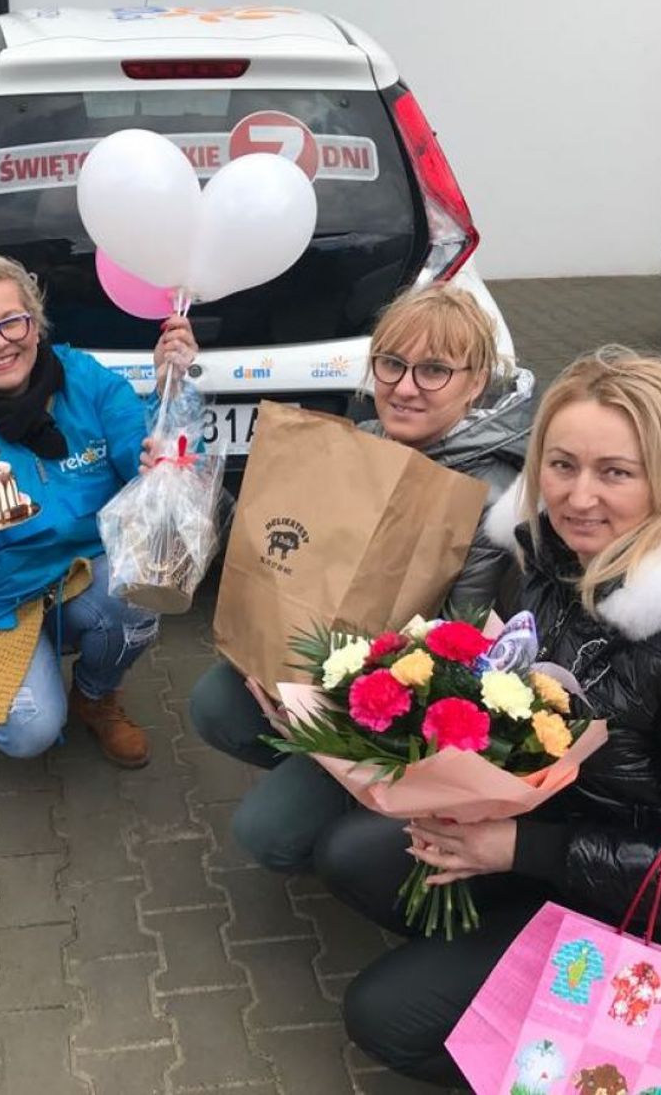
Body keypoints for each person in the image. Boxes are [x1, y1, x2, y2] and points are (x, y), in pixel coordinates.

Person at [315, 346, 661, 1085]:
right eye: (562, 465)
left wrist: (518, 849)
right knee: (354, 854)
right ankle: (498, 969)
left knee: (385, 1016)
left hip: (657, 917)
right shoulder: (554, 560)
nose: (578, 496)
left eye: (617, 473)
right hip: (557, 844)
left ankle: (565, 1055)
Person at [187, 284, 535, 870]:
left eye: (434, 371)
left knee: (266, 833)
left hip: (405, 719)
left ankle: (375, 826)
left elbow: (459, 652)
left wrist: (326, 711)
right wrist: (194, 485)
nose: (404, 387)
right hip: (332, 675)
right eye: (391, 363)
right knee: (216, 700)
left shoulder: (492, 497)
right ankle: (327, 785)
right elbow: (279, 546)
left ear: (475, 383)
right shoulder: (365, 442)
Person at [0, 252, 197, 767]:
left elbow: (139, 449)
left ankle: (95, 697)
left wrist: (166, 414)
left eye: (12, 322)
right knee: (30, 732)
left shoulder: (83, 380)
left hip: (79, 574)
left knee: (138, 594)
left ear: (35, 325)